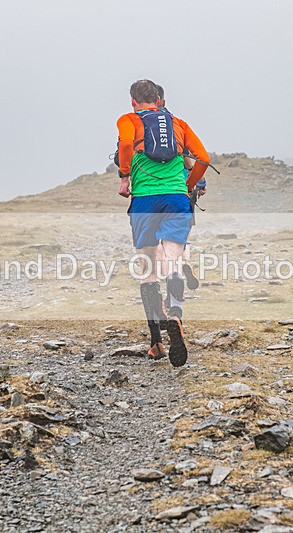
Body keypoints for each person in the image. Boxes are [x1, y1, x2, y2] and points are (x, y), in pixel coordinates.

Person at [116, 79, 209, 367]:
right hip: (176, 201)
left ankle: (156, 342)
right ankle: (176, 315)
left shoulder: (128, 120)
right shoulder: (178, 124)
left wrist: (124, 175)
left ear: (133, 101)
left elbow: (128, 143)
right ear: (159, 99)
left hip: (145, 201)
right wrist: (188, 186)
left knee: (148, 270)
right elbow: (203, 158)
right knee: (172, 261)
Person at [154, 83, 203, 291]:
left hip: (153, 192)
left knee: (159, 242)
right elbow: (195, 158)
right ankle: (185, 263)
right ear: (163, 101)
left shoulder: (143, 126)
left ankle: (167, 276)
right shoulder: (178, 125)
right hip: (183, 191)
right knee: (183, 236)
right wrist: (198, 184)